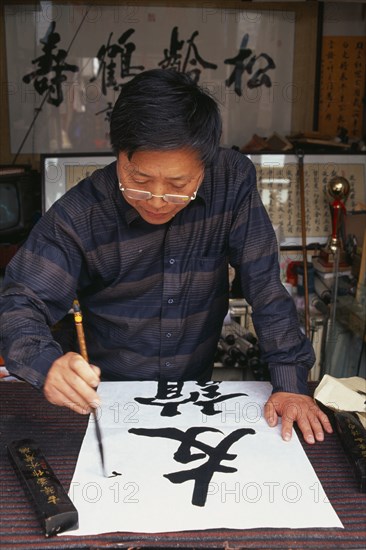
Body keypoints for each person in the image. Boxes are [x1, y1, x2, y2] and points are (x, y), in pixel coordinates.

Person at [0, 69, 331, 445]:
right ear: (118, 154)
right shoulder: (81, 215)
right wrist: (48, 366)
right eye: (139, 181)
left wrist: (289, 382)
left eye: (178, 186)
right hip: (106, 401)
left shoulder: (231, 183)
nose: (157, 200)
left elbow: (265, 286)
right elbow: (20, 303)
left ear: (205, 165)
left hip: (193, 395)